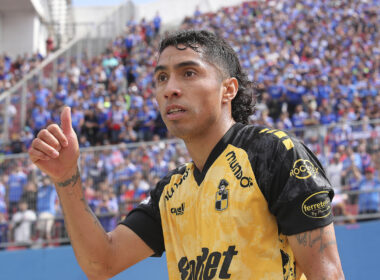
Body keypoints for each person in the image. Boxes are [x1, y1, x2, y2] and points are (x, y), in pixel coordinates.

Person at [28, 30, 344, 279]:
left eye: (188, 73)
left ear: (228, 89)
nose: (170, 88)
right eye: (162, 78)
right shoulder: (171, 191)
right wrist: (66, 177)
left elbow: (327, 275)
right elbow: (102, 263)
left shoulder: (274, 153)